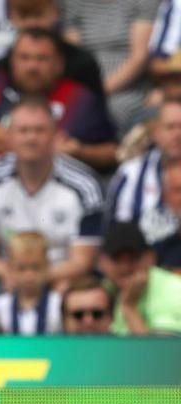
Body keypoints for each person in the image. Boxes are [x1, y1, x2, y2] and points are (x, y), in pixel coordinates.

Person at [0, 98, 103, 287]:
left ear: (55, 135)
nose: (31, 138)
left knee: (69, 286)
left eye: (39, 130)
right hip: (6, 274)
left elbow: (82, 261)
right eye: (23, 131)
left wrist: (34, 277)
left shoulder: (85, 185)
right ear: (9, 136)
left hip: (60, 275)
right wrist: (10, 273)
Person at [0, 27, 117, 170]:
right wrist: (42, 148)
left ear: (59, 64)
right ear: (12, 61)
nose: (32, 67)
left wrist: (80, 152)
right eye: (24, 58)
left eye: (41, 59)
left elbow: (112, 152)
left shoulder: (79, 97)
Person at [64, 0, 159, 133]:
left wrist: (101, 90)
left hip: (130, 87)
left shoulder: (143, 2)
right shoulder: (74, 3)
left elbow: (139, 57)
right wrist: (88, 89)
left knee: (116, 108)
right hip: (85, 84)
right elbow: (74, 53)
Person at [107, 99, 181, 246]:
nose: (178, 134)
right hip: (145, 262)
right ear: (156, 132)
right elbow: (120, 231)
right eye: (170, 127)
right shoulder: (131, 173)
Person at [99, 221, 181, 335]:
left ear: (151, 257)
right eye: (116, 259)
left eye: (133, 258)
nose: (125, 267)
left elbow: (160, 351)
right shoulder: (103, 290)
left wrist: (129, 307)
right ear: (102, 262)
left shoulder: (175, 290)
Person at [0, 231, 62, 335]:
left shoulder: (57, 303)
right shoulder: (1, 305)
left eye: (36, 268)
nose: (29, 276)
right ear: (10, 269)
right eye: (21, 269)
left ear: (47, 267)